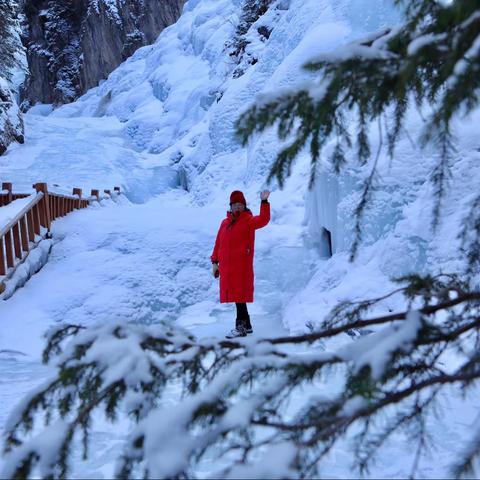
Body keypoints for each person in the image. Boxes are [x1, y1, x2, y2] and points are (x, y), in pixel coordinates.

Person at [211, 190, 271, 338]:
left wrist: (264, 202)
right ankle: (247, 325)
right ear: (230, 206)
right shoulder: (224, 223)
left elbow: (263, 219)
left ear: (244, 206)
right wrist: (215, 262)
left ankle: (241, 327)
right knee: (238, 298)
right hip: (227, 268)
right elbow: (218, 243)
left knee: (239, 296)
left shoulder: (248, 221)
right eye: (235, 205)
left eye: (240, 205)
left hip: (241, 268)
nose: (237, 207)